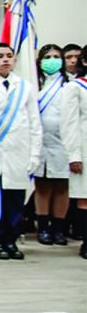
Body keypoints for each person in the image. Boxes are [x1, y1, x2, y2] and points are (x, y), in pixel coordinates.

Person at [0, 43, 41, 260]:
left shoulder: (25, 87)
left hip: (20, 151)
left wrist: (34, 154)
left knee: (15, 200)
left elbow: (35, 123)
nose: (5, 59)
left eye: (9, 56)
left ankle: (11, 241)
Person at [33, 44, 70, 246]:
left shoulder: (69, 84)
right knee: (43, 186)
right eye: (48, 56)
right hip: (41, 141)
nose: (52, 60)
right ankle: (44, 228)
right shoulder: (34, 83)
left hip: (63, 142)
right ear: (40, 61)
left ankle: (59, 229)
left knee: (62, 185)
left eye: (57, 56)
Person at [60, 44, 87, 259]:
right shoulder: (75, 87)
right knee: (85, 198)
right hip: (84, 148)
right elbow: (69, 124)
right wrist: (74, 155)